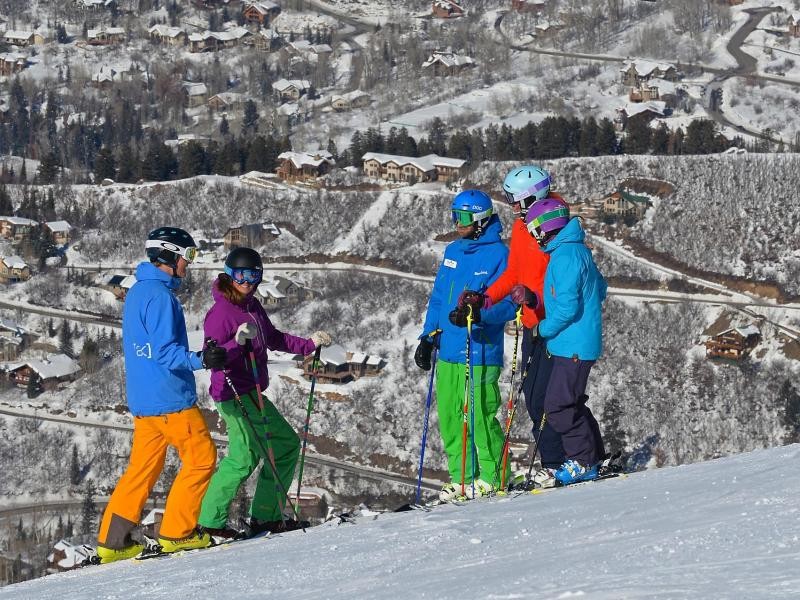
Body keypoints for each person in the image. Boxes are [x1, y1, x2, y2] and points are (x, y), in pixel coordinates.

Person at [96, 227, 228, 563]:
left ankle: (114, 541)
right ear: (169, 254)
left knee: (142, 469)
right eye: (189, 255)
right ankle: (177, 533)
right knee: (201, 458)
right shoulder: (162, 297)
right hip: (171, 399)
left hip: (144, 400)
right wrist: (202, 360)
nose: (189, 264)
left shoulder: (139, 291)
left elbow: (147, 349)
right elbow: (166, 354)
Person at [198, 247, 332, 539]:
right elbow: (213, 357)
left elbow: (272, 338)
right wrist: (236, 343)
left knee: (285, 445)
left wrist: (307, 344)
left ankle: (265, 516)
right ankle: (209, 522)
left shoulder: (252, 306)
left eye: (254, 275)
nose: (247, 280)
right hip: (232, 395)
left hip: (255, 392)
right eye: (241, 274)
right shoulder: (220, 314)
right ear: (229, 274)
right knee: (243, 458)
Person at [457, 166, 567, 489]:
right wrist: (485, 298)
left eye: (516, 201)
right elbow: (514, 274)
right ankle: (561, 462)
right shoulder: (523, 229)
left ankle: (559, 463)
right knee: (534, 396)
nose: (513, 209)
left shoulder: (552, 226)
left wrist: (537, 301)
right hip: (532, 323)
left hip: (552, 324)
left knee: (545, 399)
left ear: (533, 196)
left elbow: (559, 281)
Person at [415, 190, 516, 501]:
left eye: (461, 218)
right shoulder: (453, 252)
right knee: (450, 417)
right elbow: (439, 296)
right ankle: (462, 478)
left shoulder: (501, 255)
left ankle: (493, 477)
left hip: (480, 350)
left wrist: (479, 314)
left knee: (480, 416)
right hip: (449, 350)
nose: (456, 223)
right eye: (453, 216)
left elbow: (509, 304)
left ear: (480, 221)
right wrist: (428, 336)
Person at [525, 198, 607, 485]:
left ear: (546, 227)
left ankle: (583, 462)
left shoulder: (566, 257)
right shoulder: (574, 252)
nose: (532, 235)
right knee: (570, 402)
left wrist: (542, 328)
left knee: (558, 406)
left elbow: (567, 308)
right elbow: (601, 287)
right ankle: (594, 456)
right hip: (573, 343)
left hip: (572, 345)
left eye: (533, 228)